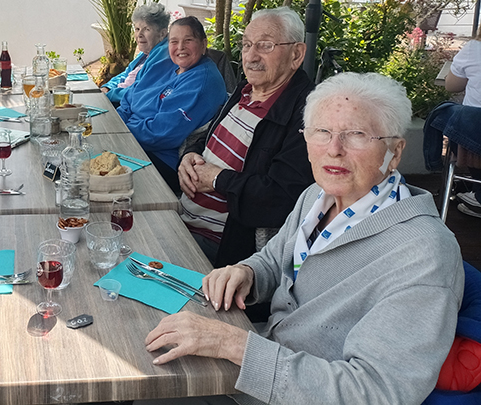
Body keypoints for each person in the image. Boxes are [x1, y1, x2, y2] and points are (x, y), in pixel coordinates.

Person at [145, 72, 464, 405]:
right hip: (257, 367)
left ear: (394, 152)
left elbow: (375, 393)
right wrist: (247, 273)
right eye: (321, 133)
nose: (334, 150)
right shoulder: (317, 196)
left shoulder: (422, 255)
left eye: (356, 135)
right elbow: (274, 259)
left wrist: (234, 345)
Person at [178, 7, 314, 268]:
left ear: (296, 54)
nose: (251, 56)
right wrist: (189, 155)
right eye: (247, 45)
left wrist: (218, 179)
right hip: (182, 217)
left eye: (265, 46)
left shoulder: (306, 115)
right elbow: (206, 137)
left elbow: (283, 197)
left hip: (219, 247)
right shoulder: (244, 92)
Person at [117, 16, 227, 193]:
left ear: (203, 43)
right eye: (174, 41)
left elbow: (160, 134)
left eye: (188, 40)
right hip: (132, 139)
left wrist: (121, 129)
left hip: (161, 159)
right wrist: (118, 122)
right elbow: (130, 96)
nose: (180, 48)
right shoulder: (167, 65)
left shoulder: (202, 81)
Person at [101, 3, 170, 106]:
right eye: (137, 29)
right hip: (121, 100)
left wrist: (108, 95)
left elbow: (139, 90)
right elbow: (126, 73)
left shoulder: (163, 55)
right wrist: (108, 87)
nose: (139, 35)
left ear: (162, 34)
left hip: (128, 106)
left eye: (147, 29)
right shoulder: (146, 52)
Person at [444, 30, 481, 217]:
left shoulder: (474, 48)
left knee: (458, 120)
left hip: (475, 142)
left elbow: (452, 86)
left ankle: (479, 196)